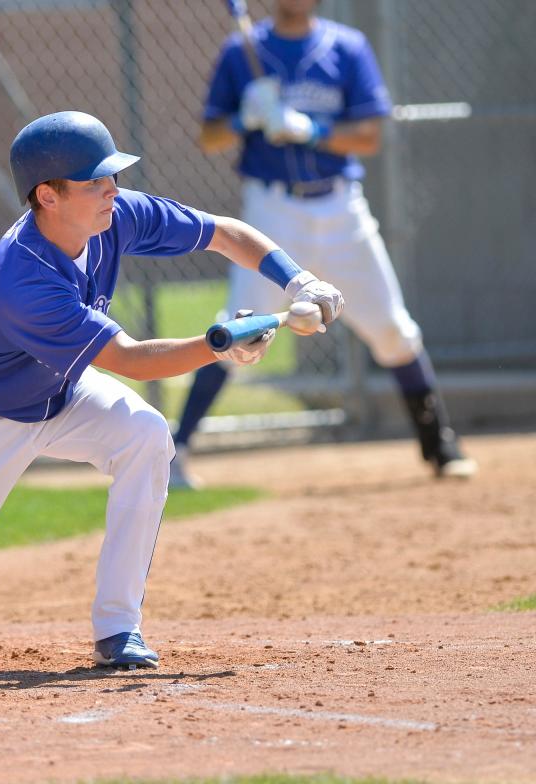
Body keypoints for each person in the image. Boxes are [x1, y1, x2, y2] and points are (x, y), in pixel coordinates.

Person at [0, 110, 344, 669]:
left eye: (113, 178)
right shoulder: (24, 277)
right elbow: (131, 361)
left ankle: (118, 627)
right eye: (95, 183)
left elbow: (223, 233)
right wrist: (217, 346)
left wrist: (299, 280)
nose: (113, 191)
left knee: (145, 436)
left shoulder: (114, 218)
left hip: (60, 392)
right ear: (48, 197)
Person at [168, 0, 476, 490]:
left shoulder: (345, 47)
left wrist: (309, 129)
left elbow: (370, 135)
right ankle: (174, 451)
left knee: (392, 329)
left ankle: (439, 445)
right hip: (271, 211)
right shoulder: (241, 51)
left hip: (339, 210)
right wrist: (246, 119)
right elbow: (210, 136)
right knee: (240, 324)